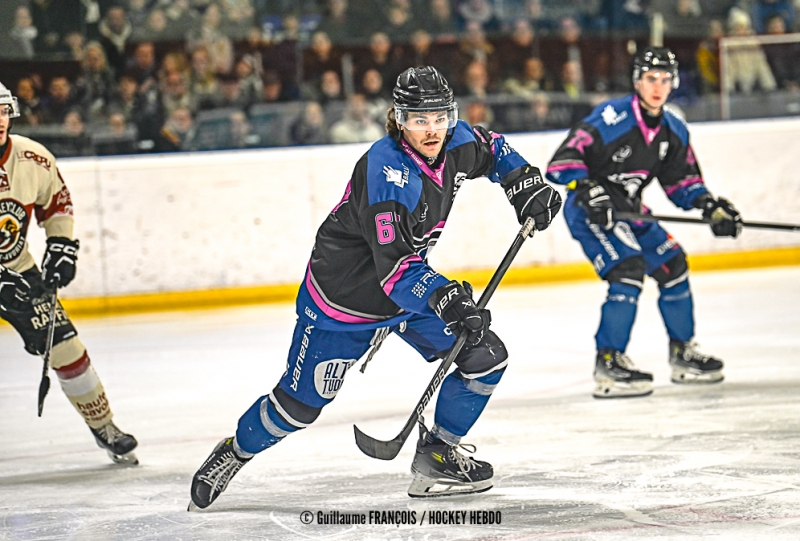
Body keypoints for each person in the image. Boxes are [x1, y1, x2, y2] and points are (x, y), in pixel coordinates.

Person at [189, 66, 562, 509]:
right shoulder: (386, 172)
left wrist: (524, 183)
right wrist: (446, 297)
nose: (432, 129)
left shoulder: (456, 140)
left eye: (440, 116)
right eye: (419, 119)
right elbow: (396, 271)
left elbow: (493, 147)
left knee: (485, 358)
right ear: (398, 118)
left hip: (406, 292)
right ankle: (235, 452)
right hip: (344, 302)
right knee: (299, 405)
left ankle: (438, 455)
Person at [544, 47, 743, 399]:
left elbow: (682, 181)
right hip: (591, 211)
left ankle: (683, 352)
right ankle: (609, 360)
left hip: (631, 211)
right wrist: (588, 187)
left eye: (665, 80)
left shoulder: (673, 129)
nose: (658, 86)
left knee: (673, 264)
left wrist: (709, 206)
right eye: (651, 78)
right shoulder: (611, 117)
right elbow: (563, 161)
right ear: (637, 80)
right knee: (628, 269)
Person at [0, 82, 138, 464]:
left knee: (65, 347)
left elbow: (56, 202)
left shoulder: (32, 158)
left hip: (17, 270)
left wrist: (60, 245)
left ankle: (105, 427)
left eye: (2, 111)